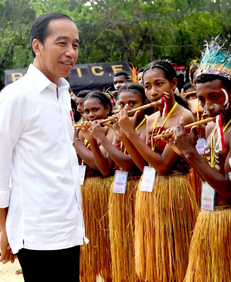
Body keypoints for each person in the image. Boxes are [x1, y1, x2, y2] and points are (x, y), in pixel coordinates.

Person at [0, 12, 85, 282]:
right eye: (61, 43)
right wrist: (5, 229)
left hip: (69, 226)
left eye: (75, 45)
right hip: (38, 233)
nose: (70, 52)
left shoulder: (63, 94)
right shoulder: (17, 96)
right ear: (37, 46)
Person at [167, 36, 231, 281]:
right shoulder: (210, 128)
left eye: (215, 97)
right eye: (202, 99)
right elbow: (210, 171)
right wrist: (180, 148)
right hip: (209, 216)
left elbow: (228, 189)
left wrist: (191, 153)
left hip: (230, 219)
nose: (207, 107)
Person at [117, 60, 199, 282]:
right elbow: (143, 166)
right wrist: (125, 134)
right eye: (147, 86)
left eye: (159, 84)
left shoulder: (184, 117)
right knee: (155, 258)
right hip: (151, 192)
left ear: (173, 84)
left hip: (175, 192)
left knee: (175, 255)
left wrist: (130, 134)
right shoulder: (151, 118)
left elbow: (162, 166)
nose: (153, 92)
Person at [89, 82, 150, 282]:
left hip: (139, 190)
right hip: (119, 190)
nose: (126, 109)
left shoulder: (147, 125)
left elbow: (130, 164)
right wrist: (92, 141)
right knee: (122, 243)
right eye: (122, 104)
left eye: (133, 103)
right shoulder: (118, 126)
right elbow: (106, 167)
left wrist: (106, 139)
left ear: (145, 102)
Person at [73, 91, 114, 282]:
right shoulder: (81, 129)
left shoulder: (110, 129)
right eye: (87, 110)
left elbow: (99, 164)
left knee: (107, 238)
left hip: (105, 189)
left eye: (95, 110)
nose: (90, 115)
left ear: (107, 109)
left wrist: (76, 142)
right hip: (84, 190)